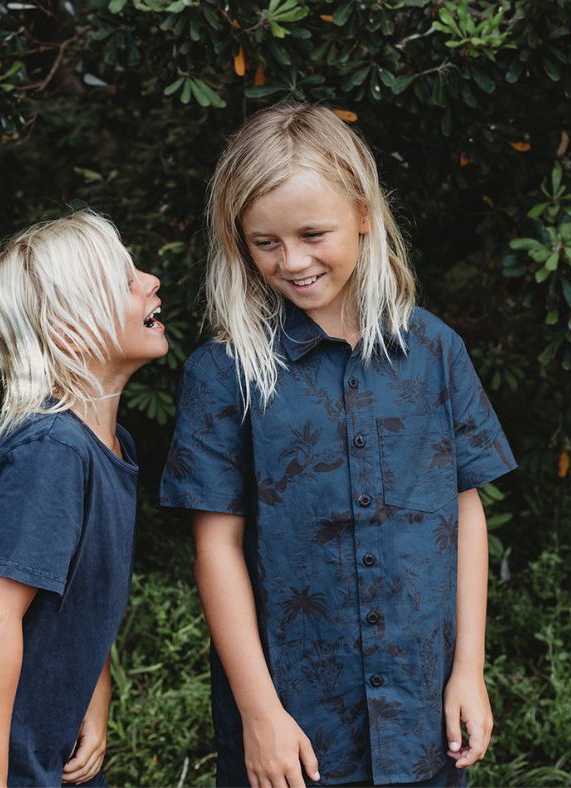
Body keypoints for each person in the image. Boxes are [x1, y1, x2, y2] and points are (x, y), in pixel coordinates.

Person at [159, 104, 517, 788]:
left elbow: (464, 514)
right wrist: (259, 713)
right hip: (294, 724)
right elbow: (217, 549)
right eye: (265, 242)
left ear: (361, 212)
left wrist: (468, 668)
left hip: (421, 713)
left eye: (312, 233)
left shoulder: (435, 351)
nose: (291, 261)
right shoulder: (223, 373)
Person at [0, 210, 168, 786]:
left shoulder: (110, 446)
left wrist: (93, 704)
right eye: (125, 280)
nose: (151, 280)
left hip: (50, 751)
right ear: (71, 330)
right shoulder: (52, 451)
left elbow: (80, 601)